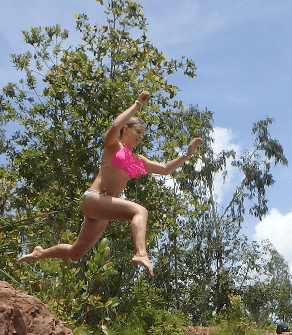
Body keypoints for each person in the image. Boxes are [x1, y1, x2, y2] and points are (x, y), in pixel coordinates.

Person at [17, 90, 203, 276]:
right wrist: (138, 104)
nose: (140, 137)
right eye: (138, 132)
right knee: (140, 211)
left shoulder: (136, 160)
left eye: (143, 135)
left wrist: (187, 154)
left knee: (76, 252)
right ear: (126, 129)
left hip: (103, 210)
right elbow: (115, 124)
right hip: (94, 198)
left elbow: (165, 169)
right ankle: (141, 253)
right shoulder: (113, 146)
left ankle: (40, 253)